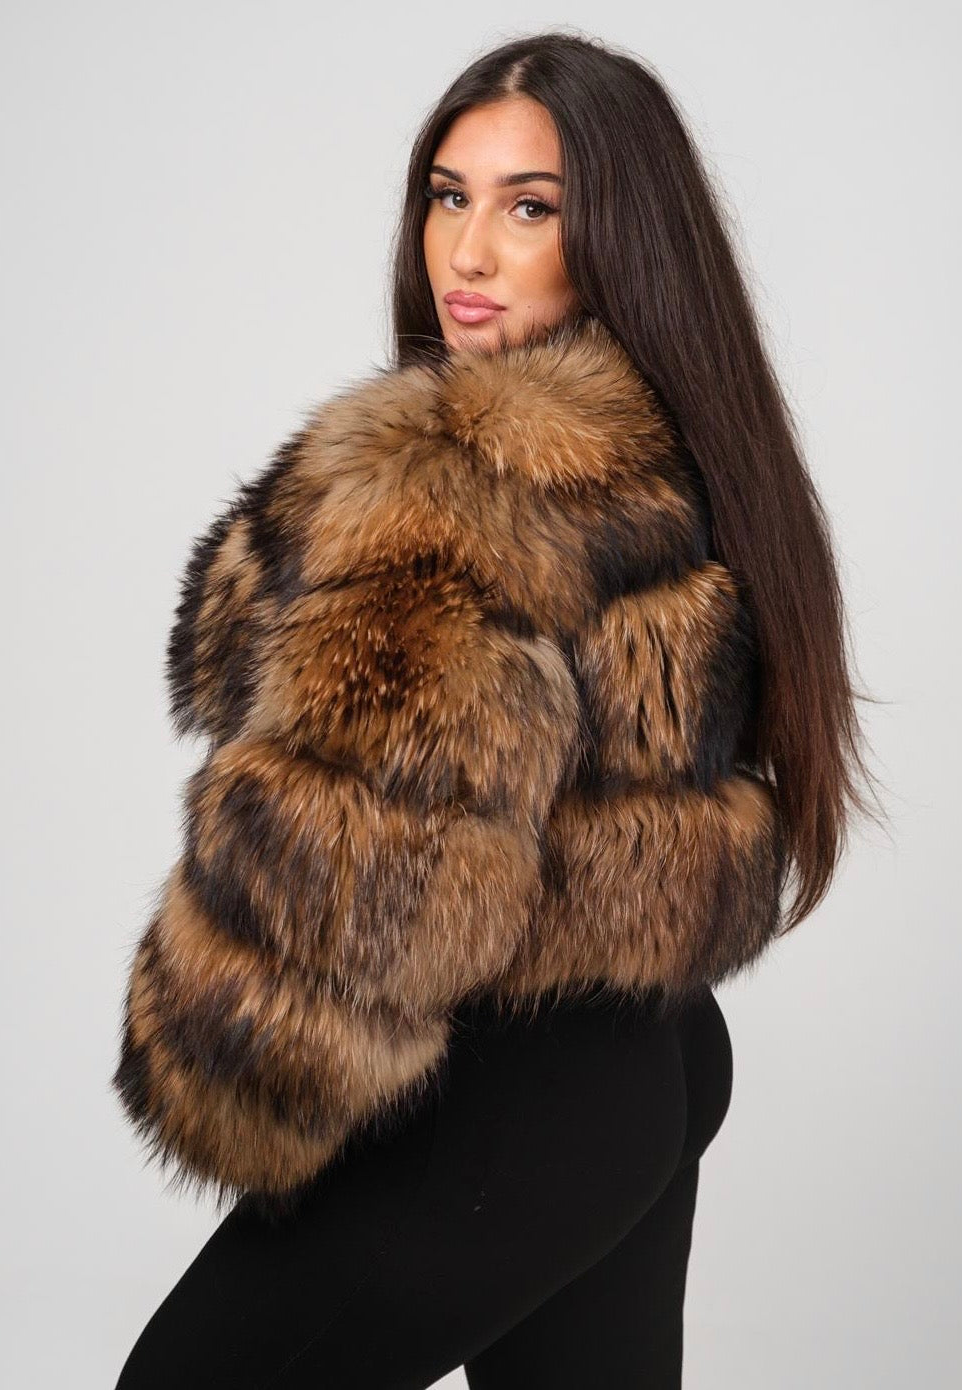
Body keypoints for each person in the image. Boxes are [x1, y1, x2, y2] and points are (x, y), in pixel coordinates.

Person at [112, 32, 877, 1389]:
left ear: (618, 236)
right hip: (649, 1055)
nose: (466, 251)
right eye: (447, 195)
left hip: (511, 1101)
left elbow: (359, 871)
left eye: (530, 208)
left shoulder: (458, 480)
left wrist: (222, 1077)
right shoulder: (677, 454)